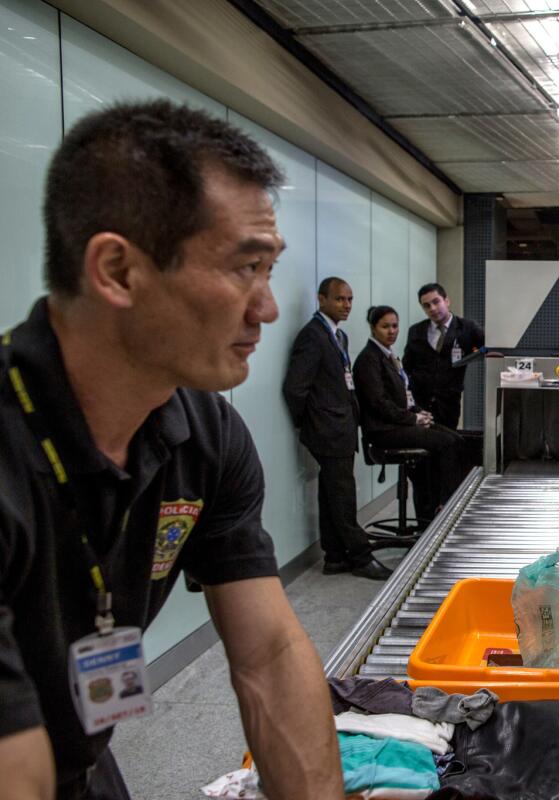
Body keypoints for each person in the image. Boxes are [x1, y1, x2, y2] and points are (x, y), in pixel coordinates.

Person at [0, 100, 341, 799]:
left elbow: (271, 655)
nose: (267, 309)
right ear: (118, 271)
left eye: (269, 270)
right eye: (245, 267)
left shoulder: (204, 436)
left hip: (80, 761)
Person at [283, 278, 391, 580]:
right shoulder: (312, 336)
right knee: (343, 495)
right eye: (340, 299)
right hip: (328, 430)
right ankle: (360, 556)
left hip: (341, 426)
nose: (346, 306)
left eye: (350, 300)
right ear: (321, 299)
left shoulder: (338, 337)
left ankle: (334, 556)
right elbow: (295, 388)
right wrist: (310, 424)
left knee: (331, 492)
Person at [353, 305, 463, 524]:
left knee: (457, 439)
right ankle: (445, 506)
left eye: (395, 326)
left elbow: (402, 396)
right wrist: (412, 419)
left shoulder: (390, 356)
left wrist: (419, 412)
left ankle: (431, 511)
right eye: (385, 326)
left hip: (401, 423)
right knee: (448, 444)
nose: (392, 331)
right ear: (373, 328)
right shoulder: (369, 359)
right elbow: (379, 403)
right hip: (384, 431)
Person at [402, 283, 484, 429]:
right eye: (426, 305)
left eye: (436, 302)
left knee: (447, 444)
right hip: (419, 403)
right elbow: (406, 367)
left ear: (446, 301)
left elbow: (490, 348)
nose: (432, 308)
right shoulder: (416, 331)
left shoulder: (467, 328)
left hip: (448, 403)